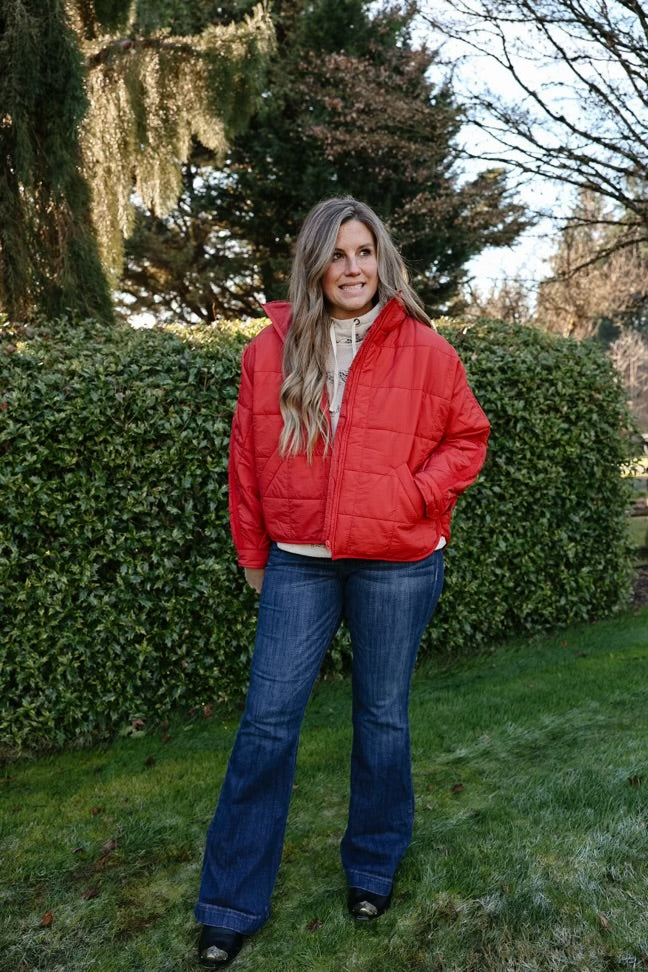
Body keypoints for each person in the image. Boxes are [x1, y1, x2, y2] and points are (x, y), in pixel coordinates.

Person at [195, 197, 490, 967]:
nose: (352, 268)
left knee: (382, 719)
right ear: (315, 264)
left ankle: (373, 867)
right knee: (267, 724)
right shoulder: (269, 351)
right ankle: (229, 903)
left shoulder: (426, 348)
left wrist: (414, 495)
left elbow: (468, 437)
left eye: (364, 252)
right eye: (337, 254)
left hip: (397, 561)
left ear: (380, 260)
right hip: (300, 561)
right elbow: (245, 460)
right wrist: (254, 554)